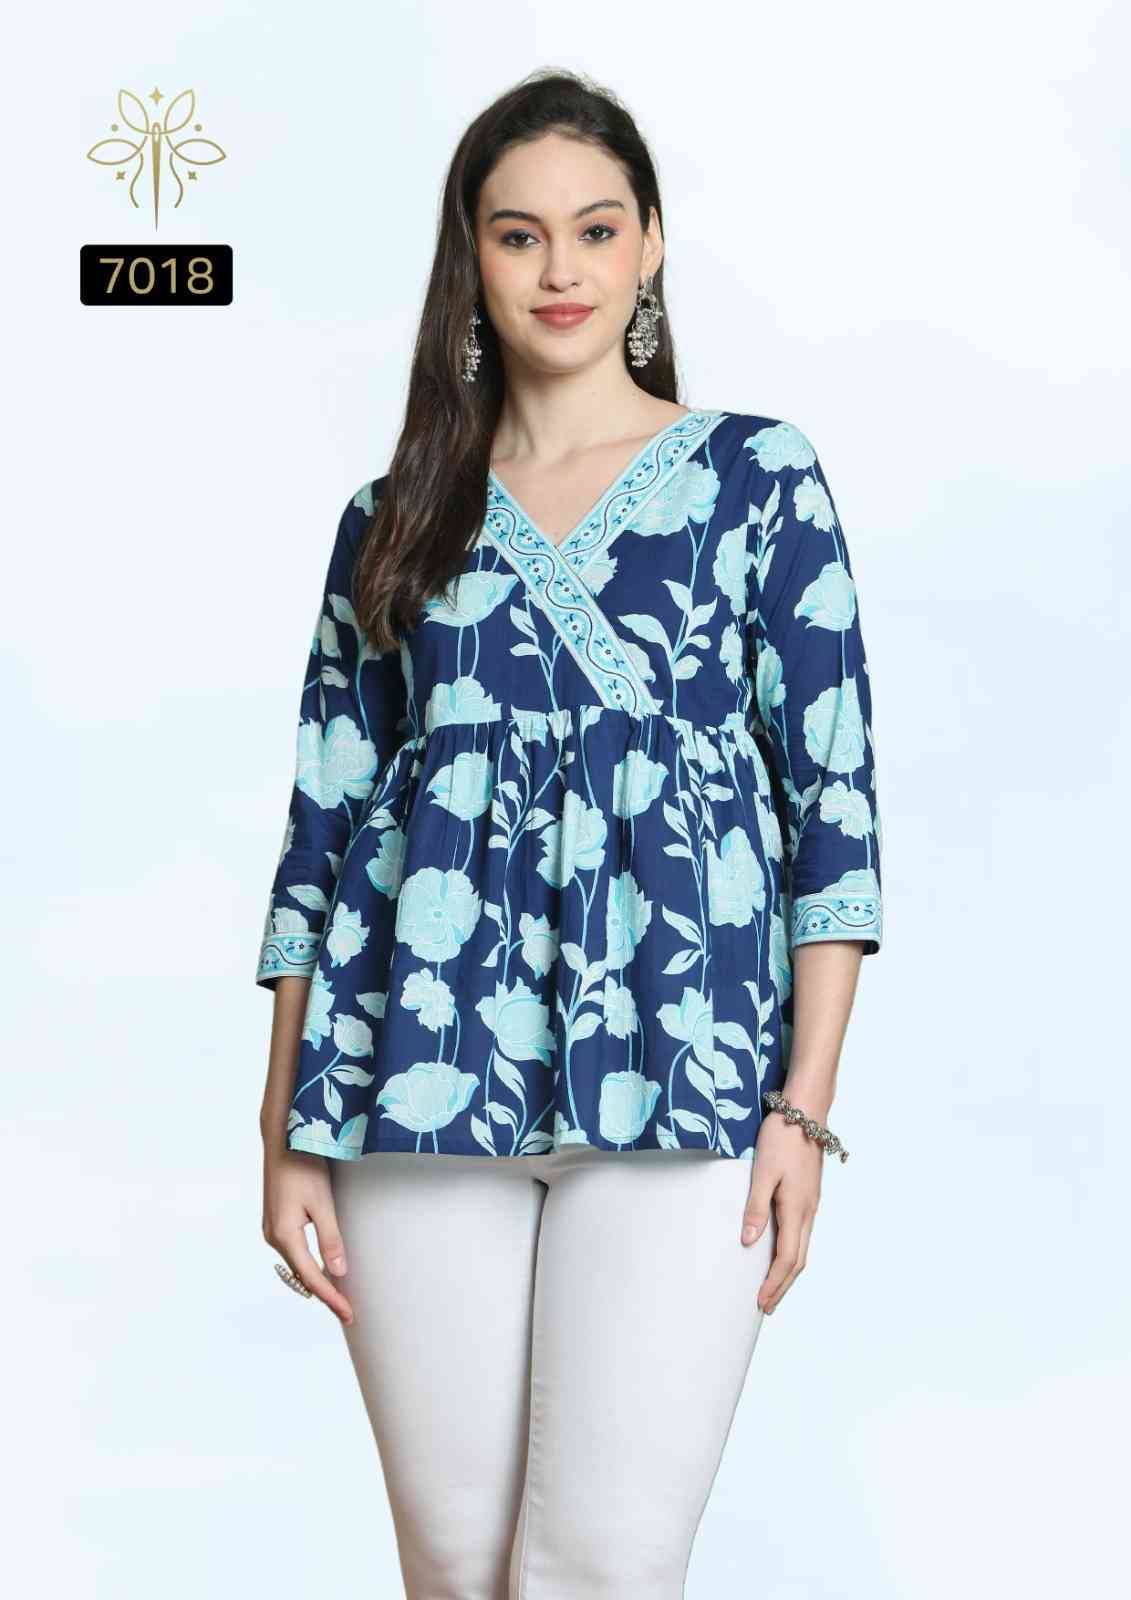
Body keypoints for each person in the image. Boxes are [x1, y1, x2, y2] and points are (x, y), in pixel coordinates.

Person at [256, 67, 883, 1600]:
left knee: (602, 1563)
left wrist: (802, 1112)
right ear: (470, 256)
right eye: (520, 234)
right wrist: (284, 1133)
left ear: (650, 244)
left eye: (596, 230)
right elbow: (322, 829)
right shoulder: (395, 514)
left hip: (687, 1073)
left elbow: (835, 812)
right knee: (455, 1567)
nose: (561, 270)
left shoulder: (759, 481)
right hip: (417, 1074)